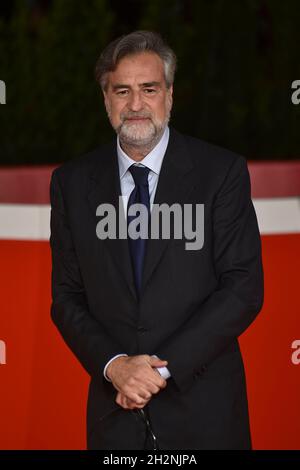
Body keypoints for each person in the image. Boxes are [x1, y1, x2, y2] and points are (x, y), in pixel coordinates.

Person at [50, 30, 264, 450]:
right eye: (122, 90)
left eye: (148, 89)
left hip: (205, 413)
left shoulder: (220, 173)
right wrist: (115, 367)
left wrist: (157, 372)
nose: (135, 105)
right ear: (105, 98)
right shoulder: (71, 184)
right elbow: (67, 297)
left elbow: (243, 288)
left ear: (169, 94)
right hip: (116, 411)